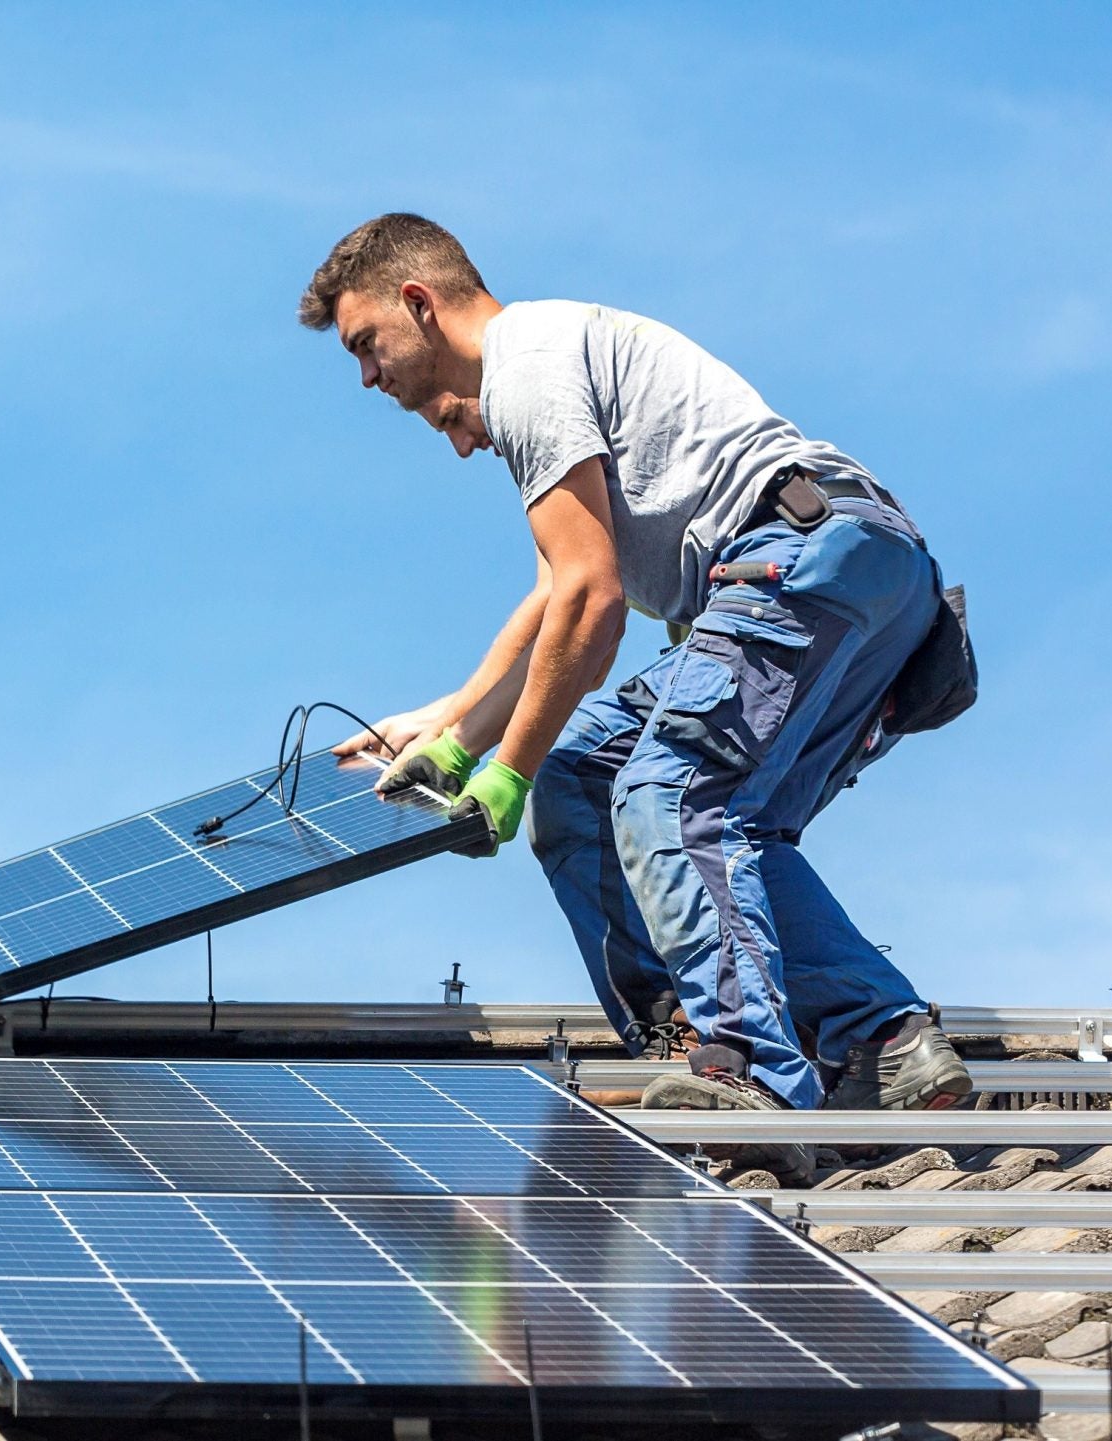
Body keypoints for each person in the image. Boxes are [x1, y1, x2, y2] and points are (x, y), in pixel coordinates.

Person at [304, 213, 971, 1151]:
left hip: (792, 562)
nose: (368, 377)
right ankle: (885, 1042)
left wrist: (502, 773)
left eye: (366, 345)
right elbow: (553, 600)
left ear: (418, 303)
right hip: (862, 572)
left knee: (664, 794)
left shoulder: (524, 363)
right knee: (603, 781)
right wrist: (449, 726)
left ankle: (745, 1069)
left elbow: (593, 602)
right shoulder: (557, 359)